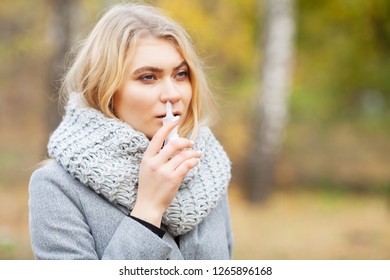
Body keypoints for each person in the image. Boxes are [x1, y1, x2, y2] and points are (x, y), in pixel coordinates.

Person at [29, 3, 232, 260]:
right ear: (104, 89)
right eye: (148, 77)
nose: (173, 94)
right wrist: (148, 209)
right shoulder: (56, 186)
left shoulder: (207, 168)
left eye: (181, 74)